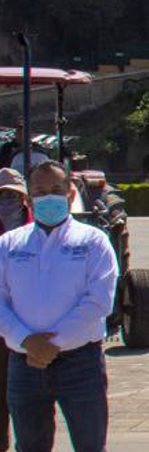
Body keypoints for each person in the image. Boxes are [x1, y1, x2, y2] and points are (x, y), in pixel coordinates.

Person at [0, 161, 117, 452]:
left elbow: (99, 300)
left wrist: (54, 342)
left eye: (55, 189)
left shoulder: (93, 241)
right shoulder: (9, 244)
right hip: (24, 363)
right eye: (39, 191)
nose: (48, 196)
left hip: (80, 364)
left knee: (90, 445)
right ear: (28, 198)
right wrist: (26, 340)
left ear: (69, 194)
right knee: (29, 445)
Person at [0, 168, 32, 451]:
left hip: (39, 334)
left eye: (13, 195)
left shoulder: (42, 228)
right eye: (2, 196)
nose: (7, 201)